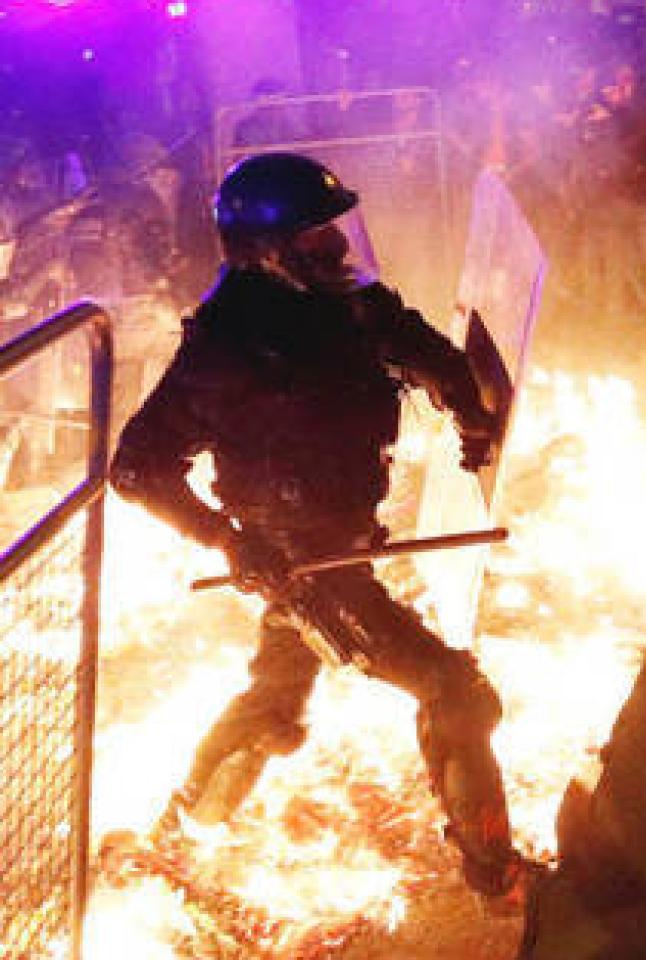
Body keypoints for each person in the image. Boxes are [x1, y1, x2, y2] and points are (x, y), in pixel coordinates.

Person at [109, 153, 533, 902]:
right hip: (299, 561)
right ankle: (497, 877)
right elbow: (137, 469)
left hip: (341, 543)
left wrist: (467, 409)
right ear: (266, 252)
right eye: (315, 237)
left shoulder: (344, 302)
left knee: (277, 704)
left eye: (336, 230)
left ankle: (184, 827)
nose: (337, 247)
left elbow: (423, 348)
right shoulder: (227, 347)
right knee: (455, 693)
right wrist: (231, 541)